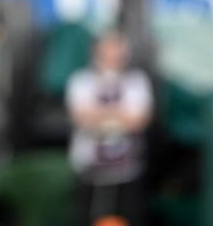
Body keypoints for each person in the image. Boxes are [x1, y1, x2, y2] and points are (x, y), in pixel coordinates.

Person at [66, 31, 153, 226]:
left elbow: (139, 119)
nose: (113, 59)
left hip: (127, 168)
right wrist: (118, 115)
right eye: (108, 53)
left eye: (117, 53)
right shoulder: (81, 80)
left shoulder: (137, 81)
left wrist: (102, 115)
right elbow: (82, 117)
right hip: (90, 169)